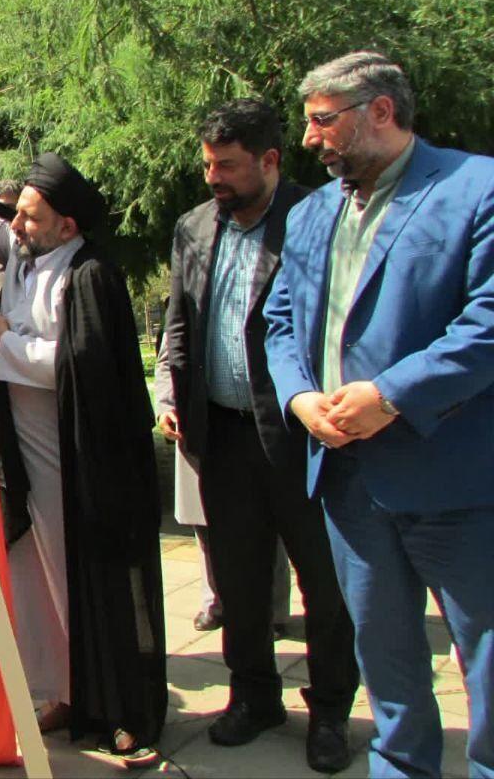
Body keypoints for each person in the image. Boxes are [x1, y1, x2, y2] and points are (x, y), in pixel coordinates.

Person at [265, 51, 494, 778]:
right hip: (349, 484)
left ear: (381, 112)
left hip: (456, 481)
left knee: (487, 664)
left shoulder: (477, 188)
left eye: (322, 121)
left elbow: (488, 320)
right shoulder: (310, 213)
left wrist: (391, 394)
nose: (309, 139)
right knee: (387, 667)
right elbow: (278, 322)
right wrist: (300, 397)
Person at [0, 149, 167, 763]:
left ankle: (121, 712)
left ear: (67, 226)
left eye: (30, 217)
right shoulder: (24, 256)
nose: (16, 224)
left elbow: (81, 363)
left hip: (80, 464)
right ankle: (66, 693)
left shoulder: (88, 275)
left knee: (91, 586)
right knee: (40, 587)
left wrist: (5, 342)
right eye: (19, 214)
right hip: (26, 462)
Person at [157, 98, 359, 772]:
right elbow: (179, 319)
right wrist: (173, 391)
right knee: (239, 584)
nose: (213, 177)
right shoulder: (193, 227)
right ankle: (253, 698)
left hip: (301, 437)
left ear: (270, 161)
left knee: (325, 587)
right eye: (208, 164)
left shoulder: (318, 218)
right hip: (221, 435)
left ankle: (329, 712)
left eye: (228, 166)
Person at [154, 329, 291, 637]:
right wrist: (166, 406)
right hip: (199, 426)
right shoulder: (185, 299)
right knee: (204, 522)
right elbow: (167, 360)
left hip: (256, 422)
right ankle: (214, 603)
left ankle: (274, 609)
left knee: (266, 519)